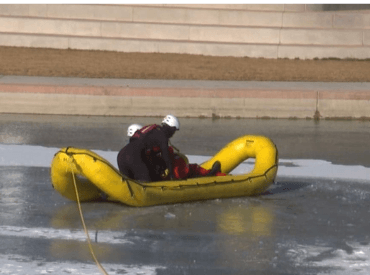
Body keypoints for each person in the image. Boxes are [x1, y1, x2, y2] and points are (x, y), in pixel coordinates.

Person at [117, 115, 179, 182]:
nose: (172, 135)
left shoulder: (151, 130)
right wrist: (171, 174)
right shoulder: (162, 135)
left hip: (121, 155)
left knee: (128, 182)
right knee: (145, 181)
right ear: (171, 129)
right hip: (133, 156)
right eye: (174, 131)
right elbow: (165, 156)